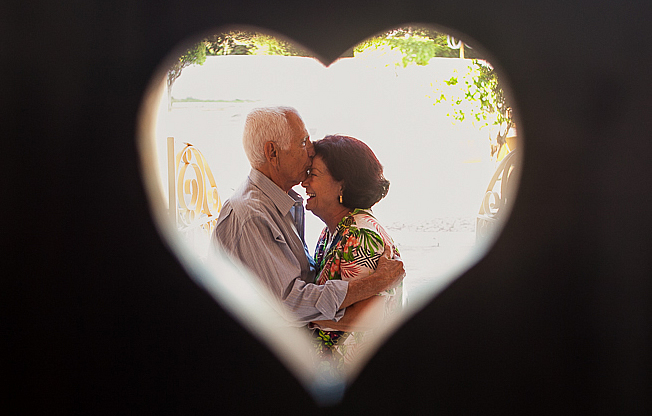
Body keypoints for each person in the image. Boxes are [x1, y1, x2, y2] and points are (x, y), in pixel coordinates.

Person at [212, 106, 404, 328]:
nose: (311, 149)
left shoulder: (282, 205)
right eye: (303, 142)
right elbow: (291, 304)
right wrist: (377, 282)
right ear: (272, 153)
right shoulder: (251, 215)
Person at [301, 134, 402, 375]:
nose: (304, 183)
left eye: (313, 175)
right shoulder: (332, 232)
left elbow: (367, 315)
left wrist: (295, 314)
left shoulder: (359, 234)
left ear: (342, 185)